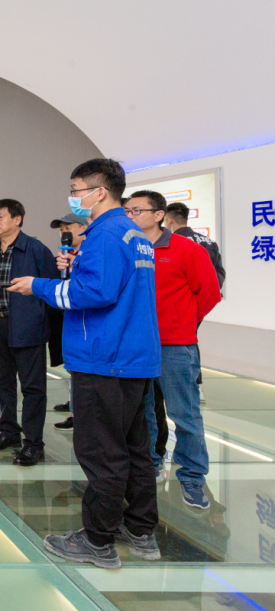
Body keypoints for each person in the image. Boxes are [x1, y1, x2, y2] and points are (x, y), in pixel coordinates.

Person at [8, 158, 161, 570]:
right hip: (132, 357)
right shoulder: (132, 234)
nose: (73, 197)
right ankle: (141, 530)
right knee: (134, 449)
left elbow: (92, 294)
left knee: (101, 452)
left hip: (104, 359)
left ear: (100, 191)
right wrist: (77, 269)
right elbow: (115, 285)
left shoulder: (105, 234)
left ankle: (97, 540)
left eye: (76, 190)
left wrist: (39, 286)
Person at [125, 190, 220, 508]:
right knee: (143, 413)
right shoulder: (128, 248)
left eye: (136, 210)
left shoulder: (186, 249)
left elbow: (209, 293)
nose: (130, 216)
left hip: (175, 345)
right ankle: (150, 465)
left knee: (184, 414)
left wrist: (182, 323)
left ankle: (192, 476)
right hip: (137, 345)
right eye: (127, 211)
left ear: (159, 215)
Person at [0, 199, 58, 466]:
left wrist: (42, 322)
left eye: (0, 216)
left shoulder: (36, 249)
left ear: (17, 219)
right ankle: (9, 432)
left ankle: (33, 444)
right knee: (2, 383)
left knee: (32, 388)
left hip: (28, 326)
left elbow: (52, 287)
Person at [164, 201, 225, 403]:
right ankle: (195, 386)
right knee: (191, 340)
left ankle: (186, 386)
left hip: (179, 306)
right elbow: (218, 273)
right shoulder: (208, 241)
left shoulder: (173, 243)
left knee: (181, 345)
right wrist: (202, 302)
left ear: (169, 219)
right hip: (200, 304)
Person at [48, 213, 89, 431]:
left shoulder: (92, 252)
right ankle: (75, 408)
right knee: (73, 369)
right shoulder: (67, 254)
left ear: (84, 227)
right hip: (69, 321)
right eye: (61, 229)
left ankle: (81, 415)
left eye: (68, 227)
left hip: (88, 325)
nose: (63, 232)